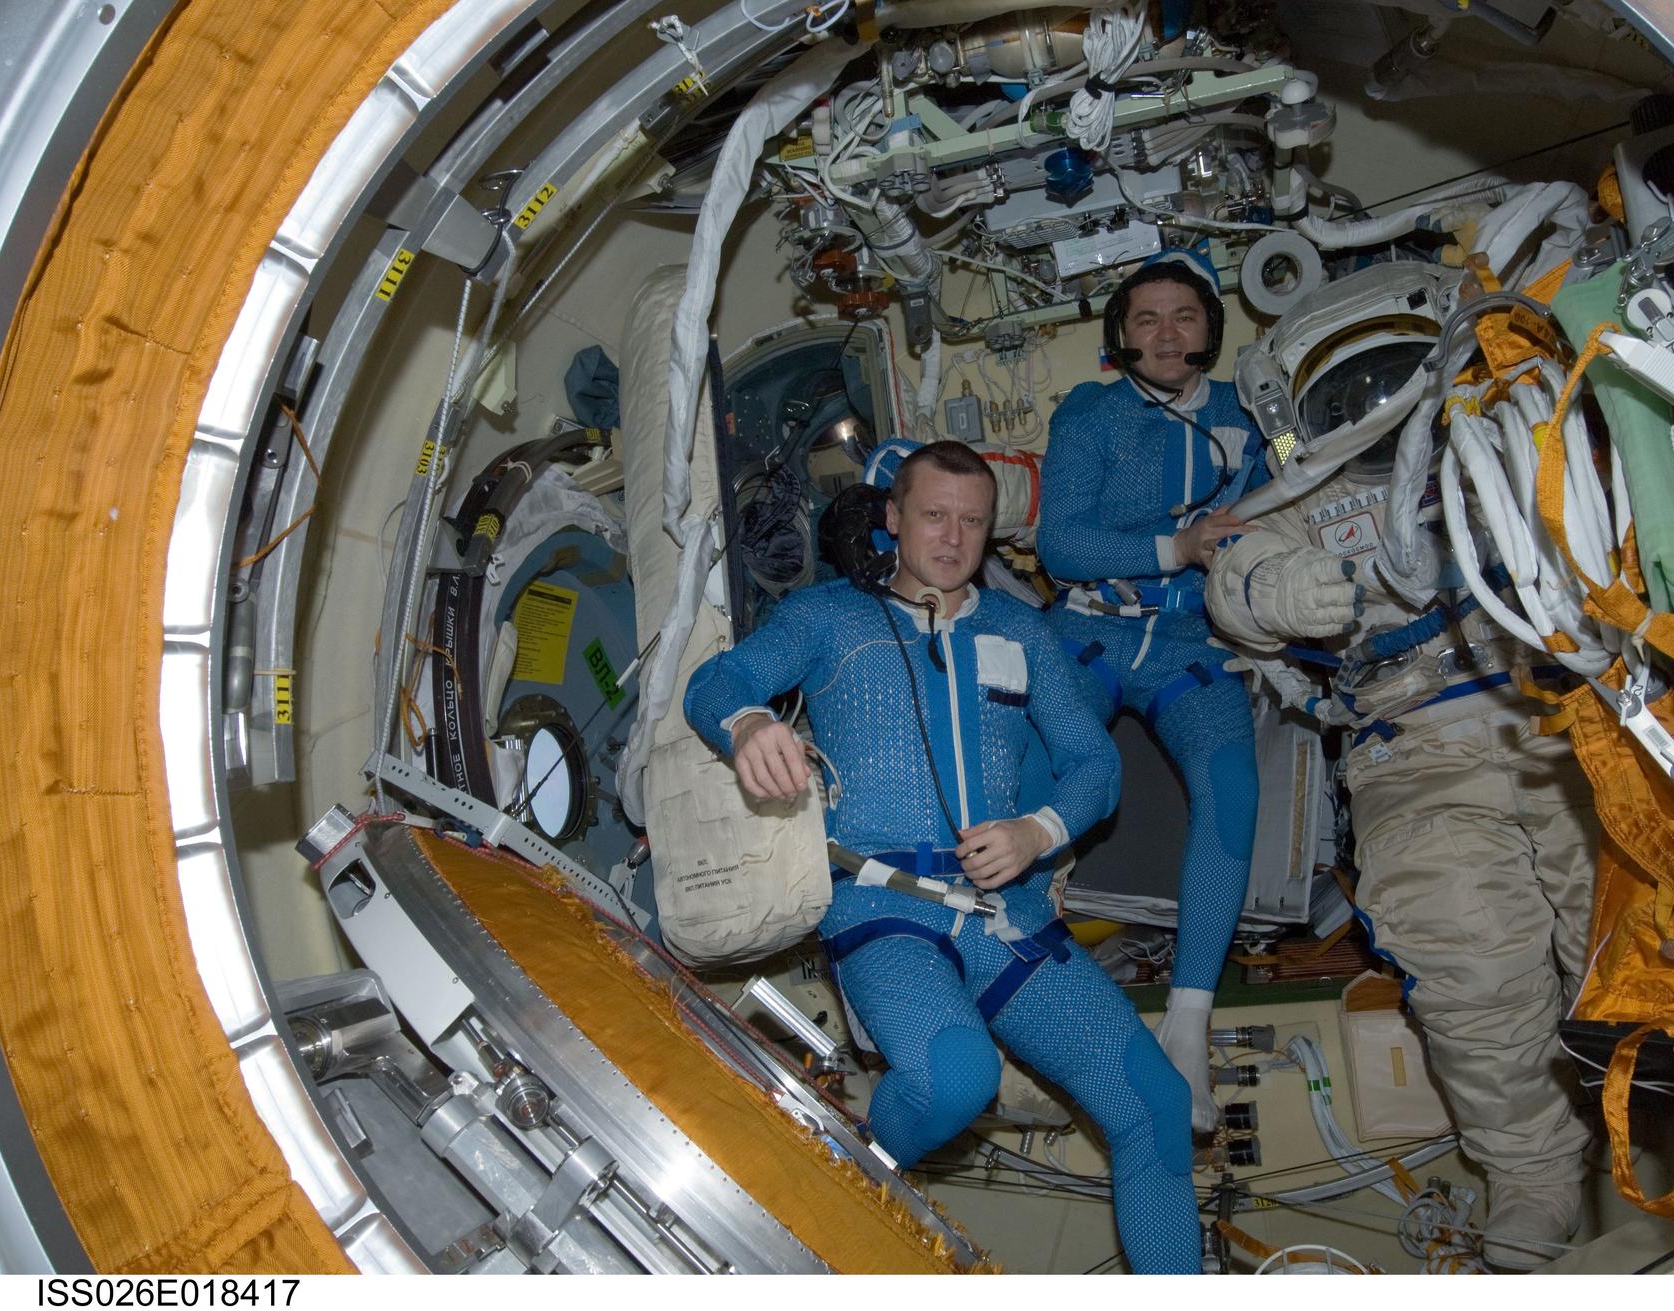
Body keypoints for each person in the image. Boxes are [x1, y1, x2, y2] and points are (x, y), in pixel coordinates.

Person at [684, 440, 1201, 1274]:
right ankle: (850, 1175)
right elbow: (714, 682)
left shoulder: (1020, 630)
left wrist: (1036, 831)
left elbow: (1094, 765)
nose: (953, 538)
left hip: (1005, 911)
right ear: (892, 517)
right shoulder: (830, 617)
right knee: (957, 1077)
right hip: (883, 902)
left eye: (972, 521)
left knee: (1158, 1105)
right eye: (933, 515)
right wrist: (747, 723)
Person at [1205, 425, 1598, 1270]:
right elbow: (1235, 574)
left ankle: (1660, 1107)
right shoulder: (1297, 487)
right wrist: (1277, 588)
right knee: (1465, 955)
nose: (1374, 404)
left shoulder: (1504, 420)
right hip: (1414, 745)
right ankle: (1532, 1171)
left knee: (1619, 930)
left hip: (1565, 708)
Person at [1037, 247, 1268, 1133]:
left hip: (1187, 642)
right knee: (1044, 774)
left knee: (1232, 789)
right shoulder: (1090, 414)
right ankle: (1010, 960)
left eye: (1184, 316)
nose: (1167, 334)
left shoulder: (1249, 417)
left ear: (1210, 328)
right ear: (1121, 337)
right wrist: (1179, 547)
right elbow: (1061, 546)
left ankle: (1188, 1025)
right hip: (1092, 630)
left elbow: (1291, 486)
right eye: (1147, 319)